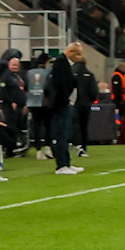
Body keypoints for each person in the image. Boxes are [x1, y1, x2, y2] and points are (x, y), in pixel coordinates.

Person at [48, 41, 94, 174]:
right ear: (71, 52)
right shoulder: (60, 63)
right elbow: (60, 84)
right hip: (60, 104)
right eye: (77, 54)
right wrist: (66, 100)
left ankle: (66, 163)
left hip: (64, 103)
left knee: (66, 134)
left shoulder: (65, 63)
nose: (78, 57)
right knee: (62, 134)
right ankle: (61, 165)